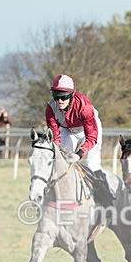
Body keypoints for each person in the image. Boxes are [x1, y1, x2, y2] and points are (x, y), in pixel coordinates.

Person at [44, 74, 112, 204]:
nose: (59, 101)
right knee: (62, 161)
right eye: (56, 97)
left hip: (88, 131)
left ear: (71, 95)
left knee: (91, 164)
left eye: (63, 97)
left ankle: (108, 200)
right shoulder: (50, 108)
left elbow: (92, 137)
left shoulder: (84, 106)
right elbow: (55, 136)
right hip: (68, 129)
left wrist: (79, 153)